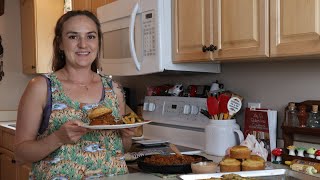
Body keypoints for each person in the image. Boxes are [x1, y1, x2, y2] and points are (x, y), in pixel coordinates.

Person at [14, 10, 136, 179]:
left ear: (98, 42)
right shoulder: (41, 87)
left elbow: (121, 148)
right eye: (73, 37)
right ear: (60, 43)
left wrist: (127, 137)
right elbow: (20, 154)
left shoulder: (114, 89)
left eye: (90, 36)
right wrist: (57, 138)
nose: (83, 44)